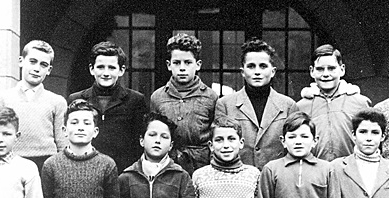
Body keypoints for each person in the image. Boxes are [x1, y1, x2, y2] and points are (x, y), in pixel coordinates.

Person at [215, 38, 299, 170]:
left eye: (263, 66)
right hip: (237, 176)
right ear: (242, 72)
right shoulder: (225, 104)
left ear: (273, 71)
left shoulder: (288, 106)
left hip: (276, 176)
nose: (257, 72)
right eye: (251, 66)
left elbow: (295, 147)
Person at [67, 41, 148, 173]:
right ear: (91, 69)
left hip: (123, 172)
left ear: (121, 70)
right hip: (86, 169)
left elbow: (140, 144)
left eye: (111, 68)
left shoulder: (135, 100)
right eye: (100, 67)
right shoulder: (76, 99)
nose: (106, 73)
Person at [0, 40, 67, 173]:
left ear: (49, 70)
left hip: (46, 163)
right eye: (32, 61)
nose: (37, 69)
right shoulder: (1, 99)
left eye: (43, 65)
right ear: (21, 61)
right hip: (11, 161)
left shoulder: (57, 101)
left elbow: (62, 142)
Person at [150, 33, 218, 176]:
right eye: (176, 63)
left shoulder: (210, 97)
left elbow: (216, 136)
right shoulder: (158, 97)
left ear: (198, 65)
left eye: (187, 62)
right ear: (169, 65)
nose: (182, 68)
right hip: (167, 165)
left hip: (201, 167)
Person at [296, 44, 372, 162]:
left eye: (331, 68)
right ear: (312, 71)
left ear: (342, 69)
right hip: (313, 170)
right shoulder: (301, 106)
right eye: (320, 69)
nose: (326, 74)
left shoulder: (360, 103)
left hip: (351, 169)